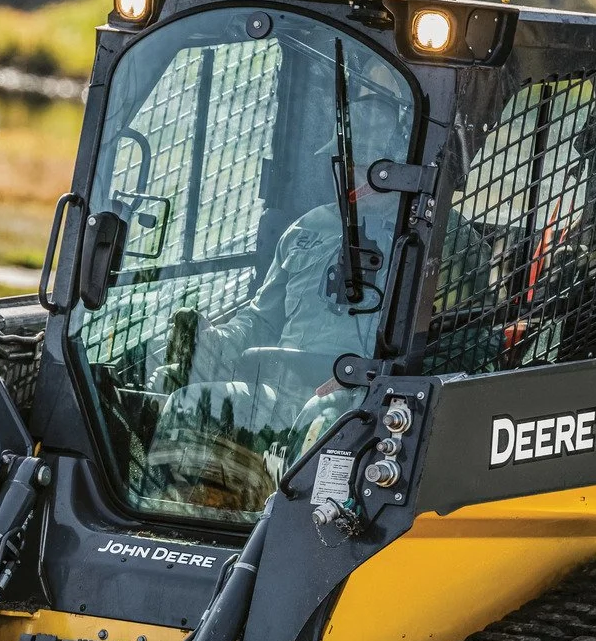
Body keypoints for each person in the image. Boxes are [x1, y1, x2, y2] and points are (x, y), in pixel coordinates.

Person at [141, 95, 406, 513]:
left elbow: (458, 340)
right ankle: (175, 526)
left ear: (394, 165)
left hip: (371, 402)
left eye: (360, 162)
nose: (348, 173)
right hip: (280, 389)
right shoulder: (308, 228)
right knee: (189, 403)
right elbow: (262, 320)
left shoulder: (439, 239)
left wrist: (376, 380)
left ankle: (298, 541)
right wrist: (211, 340)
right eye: (343, 162)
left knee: (324, 418)